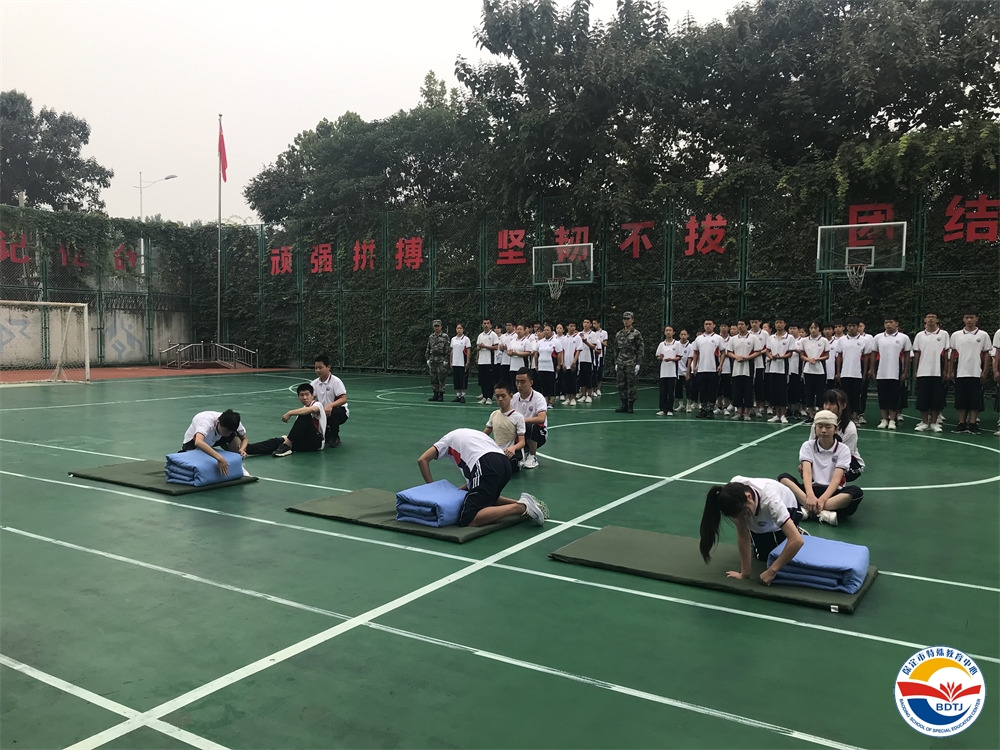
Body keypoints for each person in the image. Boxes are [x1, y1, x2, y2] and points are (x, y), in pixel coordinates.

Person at [416, 427, 547, 527]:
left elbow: (422, 460)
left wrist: (433, 489)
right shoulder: (471, 436)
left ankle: (521, 508)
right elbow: (475, 485)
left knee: (468, 518)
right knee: (486, 497)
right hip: (504, 463)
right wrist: (460, 490)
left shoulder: (446, 441)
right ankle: (525, 503)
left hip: (485, 463)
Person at [698, 476, 806, 586]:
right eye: (739, 515)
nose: (743, 517)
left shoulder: (772, 501)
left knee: (788, 557)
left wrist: (772, 571)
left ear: (749, 496)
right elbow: (743, 534)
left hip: (788, 507)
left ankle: (795, 529)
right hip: (759, 518)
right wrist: (744, 574)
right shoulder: (732, 496)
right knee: (764, 557)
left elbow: (797, 541)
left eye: (744, 513)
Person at [779, 409, 864, 527]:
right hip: (810, 491)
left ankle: (808, 510)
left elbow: (837, 479)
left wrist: (823, 499)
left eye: (828, 427)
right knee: (783, 478)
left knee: (856, 492)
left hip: (833, 493)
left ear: (836, 429)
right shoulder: (807, 446)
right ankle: (823, 512)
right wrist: (810, 496)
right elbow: (807, 473)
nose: (823, 430)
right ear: (815, 429)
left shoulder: (843, 449)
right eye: (820, 426)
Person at [246, 383, 327, 457]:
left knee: (304, 416)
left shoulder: (317, 404)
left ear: (312, 396)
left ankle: (287, 445)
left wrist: (290, 412)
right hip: (303, 442)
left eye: (307, 394)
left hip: (316, 443)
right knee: (276, 442)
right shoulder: (302, 409)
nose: (304, 398)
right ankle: (246, 449)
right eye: (302, 395)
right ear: (298, 397)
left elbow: (313, 410)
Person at [947, 310, 992, 434]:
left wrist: (985, 371)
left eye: (971, 317)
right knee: (960, 399)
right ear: (963, 319)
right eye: (967, 317)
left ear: (976, 319)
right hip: (960, 372)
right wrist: (950, 371)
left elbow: (987, 354)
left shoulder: (983, 335)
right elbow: (952, 354)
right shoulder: (956, 335)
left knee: (975, 399)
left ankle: (973, 424)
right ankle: (961, 423)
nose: (969, 320)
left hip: (976, 372)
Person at [870, 316, 912, 430]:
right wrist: (872, 370)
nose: (888, 324)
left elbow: (907, 355)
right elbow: (873, 354)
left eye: (890, 322)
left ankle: (892, 420)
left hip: (896, 373)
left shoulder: (903, 338)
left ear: (896, 323)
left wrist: (905, 372)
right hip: (881, 372)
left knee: (894, 396)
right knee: (882, 396)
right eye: (886, 322)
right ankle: (884, 419)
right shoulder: (878, 337)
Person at [180, 409, 248, 476]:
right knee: (200, 464)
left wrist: (242, 449)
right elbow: (198, 442)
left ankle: (238, 465)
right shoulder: (205, 423)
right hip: (193, 442)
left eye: (230, 432)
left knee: (233, 436)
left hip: (216, 438)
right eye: (226, 431)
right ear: (218, 423)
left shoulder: (234, 422)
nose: (228, 435)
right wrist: (220, 458)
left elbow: (244, 439)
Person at [911, 312, 949, 432]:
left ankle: (933, 423)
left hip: (938, 373)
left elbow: (946, 353)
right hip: (923, 372)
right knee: (923, 399)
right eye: (928, 317)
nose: (930, 319)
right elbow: (917, 353)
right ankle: (924, 422)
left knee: (936, 399)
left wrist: (946, 370)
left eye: (933, 317)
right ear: (925, 320)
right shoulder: (920, 335)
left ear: (937, 320)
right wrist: (916, 370)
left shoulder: (944, 334)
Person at [483, 380, 526, 471]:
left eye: (503, 396)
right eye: (497, 396)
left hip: (510, 454)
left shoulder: (518, 417)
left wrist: (513, 448)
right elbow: (484, 435)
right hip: (497, 451)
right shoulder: (494, 414)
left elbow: (522, 442)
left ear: (511, 396)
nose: (500, 399)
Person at [835, 318, 870, 423]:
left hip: (857, 373)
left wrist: (864, 373)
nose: (851, 328)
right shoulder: (842, 340)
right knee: (845, 396)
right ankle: (846, 417)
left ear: (858, 327)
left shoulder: (864, 340)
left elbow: (866, 358)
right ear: (846, 327)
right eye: (849, 326)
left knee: (856, 396)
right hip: (845, 373)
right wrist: (838, 372)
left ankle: (855, 416)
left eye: (854, 326)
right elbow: (839, 357)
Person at [512, 367, 548, 469]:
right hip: (519, 433)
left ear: (531, 382)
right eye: (517, 382)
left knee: (529, 425)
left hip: (538, 433)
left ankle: (533, 456)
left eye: (522, 382)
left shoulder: (538, 397)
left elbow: (541, 418)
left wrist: (521, 421)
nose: (519, 385)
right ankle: (523, 451)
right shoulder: (513, 398)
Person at [726, 318, 761, 421]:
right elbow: (729, 352)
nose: (740, 326)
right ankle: (739, 412)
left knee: (748, 390)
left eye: (742, 324)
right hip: (736, 368)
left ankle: (746, 412)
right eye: (739, 324)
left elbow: (758, 351)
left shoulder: (753, 338)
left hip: (748, 367)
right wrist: (736, 357)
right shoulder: (733, 339)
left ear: (747, 326)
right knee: (737, 390)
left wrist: (747, 358)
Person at [311, 354, 349, 447]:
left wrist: (330, 405)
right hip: (323, 412)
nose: (318, 370)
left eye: (320, 368)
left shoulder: (336, 381)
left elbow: (343, 399)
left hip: (339, 411)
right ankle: (326, 432)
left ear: (328, 367)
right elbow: (311, 399)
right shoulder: (314, 383)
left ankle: (335, 436)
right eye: (316, 368)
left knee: (334, 412)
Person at [690, 318, 724, 419]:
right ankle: (703, 409)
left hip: (713, 368)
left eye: (710, 324)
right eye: (706, 324)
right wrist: (694, 366)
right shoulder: (699, 338)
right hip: (701, 368)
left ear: (714, 325)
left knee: (712, 390)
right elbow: (695, 352)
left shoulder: (718, 338)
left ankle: (710, 409)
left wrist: (720, 365)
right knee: (702, 389)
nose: (708, 326)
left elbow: (723, 352)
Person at [798, 320, 830, 422]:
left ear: (819, 329)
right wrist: (808, 359)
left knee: (820, 392)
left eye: (815, 328)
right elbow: (801, 355)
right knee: (809, 393)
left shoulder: (824, 340)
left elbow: (827, 356)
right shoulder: (804, 341)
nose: (813, 330)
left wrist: (817, 359)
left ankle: (820, 414)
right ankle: (811, 415)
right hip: (808, 370)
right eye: (811, 328)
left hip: (820, 370)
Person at [764, 316, 794, 423]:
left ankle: (783, 415)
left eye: (781, 322)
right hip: (773, 368)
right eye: (777, 322)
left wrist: (781, 357)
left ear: (784, 324)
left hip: (783, 368)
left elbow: (790, 352)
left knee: (782, 391)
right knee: (774, 391)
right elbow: (767, 350)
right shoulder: (771, 337)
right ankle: (777, 414)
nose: (778, 324)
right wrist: (771, 356)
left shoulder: (789, 337)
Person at [614, 311, 644, 413]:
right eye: (624, 319)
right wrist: (616, 362)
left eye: (628, 319)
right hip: (620, 362)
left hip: (631, 363)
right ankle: (624, 404)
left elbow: (640, 349)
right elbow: (616, 349)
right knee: (621, 384)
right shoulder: (619, 334)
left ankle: (630, 405)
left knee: (631, 385)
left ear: (632, 320)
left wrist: (638, 364)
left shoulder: (636, 333)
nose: (626, 321)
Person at [655, 325, 683, 416]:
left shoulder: (677, 344)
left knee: (671, 392)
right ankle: (663, 409)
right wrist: (660, 357)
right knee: (663, 391)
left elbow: (679, 357)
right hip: (663, 372)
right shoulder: (661, 344)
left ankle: (670, 409)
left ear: (673, 332)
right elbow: (658, 356)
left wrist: (671, 359)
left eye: (670, 330)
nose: (668, 332)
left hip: (672, 372)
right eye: (666, 330)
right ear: (664, 332)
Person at [534, 323, 562, 407]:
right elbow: (536, 354)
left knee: (551, 384)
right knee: (543, 383)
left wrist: (559, 365)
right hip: (542, 366)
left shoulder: (555, 342)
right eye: (544, 330)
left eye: (548, 330)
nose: (546, 332)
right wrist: (536, 365)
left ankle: (552, 401)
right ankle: (545, 401)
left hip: (551, 366)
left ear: (552, 331)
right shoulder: (540, 342)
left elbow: (559, 354)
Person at [475, 317, 500, 405]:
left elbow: (496, 347)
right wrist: (479, 350)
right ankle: (484, 396)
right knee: (483, 380)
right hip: (481, 361)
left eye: (487, 323)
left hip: (490, 361)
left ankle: (489, 397)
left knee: (490, 380)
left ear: (490, 325)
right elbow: (477, 347)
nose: (486, 325)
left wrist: (485, 346)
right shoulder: (480, 335)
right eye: (484, 323)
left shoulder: (493, 335)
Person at [426, 319, 450, 402]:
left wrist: (446, 360)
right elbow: (428, 348)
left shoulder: (445, 336)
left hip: (441, 360)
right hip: (432, 360)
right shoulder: (431, 337)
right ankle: (435, 394)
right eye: (435, 326)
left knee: (441, 378)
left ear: (441, 327)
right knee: (433, 378)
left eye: (438, 326)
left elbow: (447, 349)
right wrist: (427, 358)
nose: (436, 328)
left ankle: (441, 394)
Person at [449, 323, 472, 403]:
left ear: (463, 329)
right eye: (457, 328)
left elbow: (468, 351)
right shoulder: (453, 339)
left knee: (463, 379)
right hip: (455, 362)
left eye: (460, 328)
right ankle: (458, 395)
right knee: (456, 379)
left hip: (462, 363)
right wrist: (451, 361)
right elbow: (452, 351)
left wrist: (468, 361)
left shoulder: (466, 339)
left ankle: (463, 395)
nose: (459, 330)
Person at [561, 322, 582, 406]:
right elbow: (562, 351)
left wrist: (574, 362)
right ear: (567, 327)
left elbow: (578, 350)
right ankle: (567, 398)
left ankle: (573, 398)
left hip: (573, 363)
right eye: (571, 326)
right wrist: (562, 362)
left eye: (574, 326)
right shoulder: (564, 338)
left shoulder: (577, 338)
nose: (572, 328)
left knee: (573, 381)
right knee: (566, 381)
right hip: (565, 363)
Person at [592, 317, 608, 396]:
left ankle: (598, 388)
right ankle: (593, 389)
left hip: (600, 355)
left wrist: (598, 341)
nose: (593, 325)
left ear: (599, 324)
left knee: (600, 371)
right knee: (593, 371)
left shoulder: (604, 332)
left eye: (595, 323)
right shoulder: (592, 333)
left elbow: (605, 344)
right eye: (593, 323)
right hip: (593, 354)